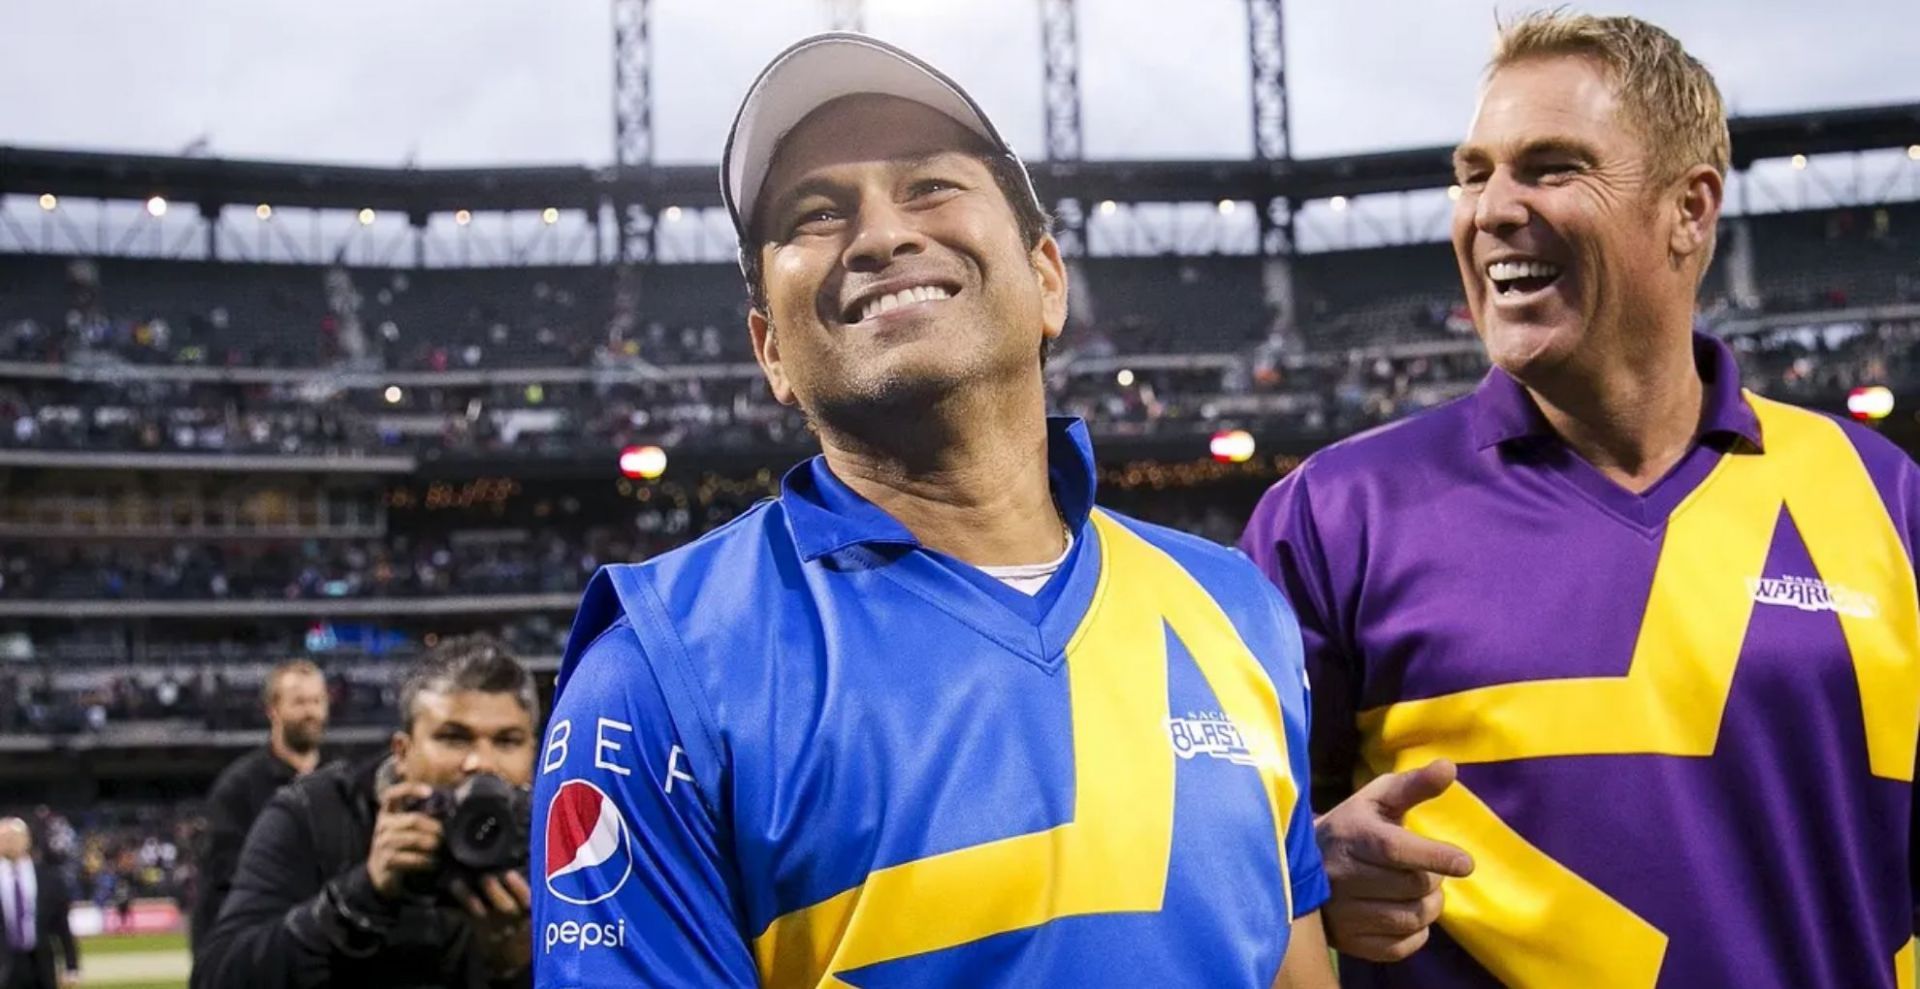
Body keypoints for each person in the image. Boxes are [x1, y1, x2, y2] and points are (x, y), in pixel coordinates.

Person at [531, 32, 1335, 989]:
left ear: (1045, 280)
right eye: (816, 213)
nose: (879, 236)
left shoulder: (1235, 609)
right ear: (770, 352)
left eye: (929, 187)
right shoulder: (657, 677)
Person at [1239, 11, 1919, 989]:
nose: (1492, 209)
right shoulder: (1332, 517)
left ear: (1689, 209)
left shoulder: (1884, 496)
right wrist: (1303, 874)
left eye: (1550, 167)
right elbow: (1202, 858)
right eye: (1475, 174)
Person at [192, 637, 537, 989]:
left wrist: (518, 968)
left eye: (507, 741)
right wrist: (359, 898)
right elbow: (216, 978)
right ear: (402, 751)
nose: (480, 762)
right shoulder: (316, 814)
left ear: (534, 754)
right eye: (453, 737)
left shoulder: (555, 841)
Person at [190, 658, 331, 956]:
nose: (311, 711)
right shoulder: (237, 789)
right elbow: (218, 889)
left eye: (317, 700)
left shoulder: (341, 779)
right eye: (299, 702)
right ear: (273, 710)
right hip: (265, 952)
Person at [0, 819, 76, 989]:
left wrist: (72, 966)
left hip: (41, 963)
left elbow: (62, 926)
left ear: (27, 840)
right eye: (3, 837)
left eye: (13, 836)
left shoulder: (49, 878)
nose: (8, 842)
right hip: (4, 963)